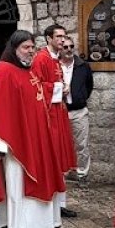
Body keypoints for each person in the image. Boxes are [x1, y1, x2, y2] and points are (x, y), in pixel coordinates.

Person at [0, 31, 65, 228]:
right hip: (15, 143)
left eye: (33, 47)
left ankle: (37, 226)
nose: (31, 51)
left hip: (37, 139)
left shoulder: (29, 71)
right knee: (19, 187)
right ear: (14, 48)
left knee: (34, 183)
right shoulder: (4, 71)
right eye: (26, 47)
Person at [31, 25, 78, 216]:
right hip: (48, 115)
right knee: (52, 157)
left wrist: (62, 88)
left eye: (64, 36)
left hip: (59, 112)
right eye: (58, 36)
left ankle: (60, 204)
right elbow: (36, 85)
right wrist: (58, 88)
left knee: (60, 158)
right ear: (48, 38)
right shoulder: (41, 58)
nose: (62, 40)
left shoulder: (56, 59)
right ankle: (51, 202)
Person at [60, 37, 94, 180]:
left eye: (71, 46)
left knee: (81, 144)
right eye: (65, 47)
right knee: (60, 143)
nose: (69, 49)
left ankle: (82, 174)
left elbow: (89, 85)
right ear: (59, 49)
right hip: (59, 111)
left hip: (78, 111)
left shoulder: (82, 66)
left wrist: (81, 97)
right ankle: (63, 172)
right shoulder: (54, 65)